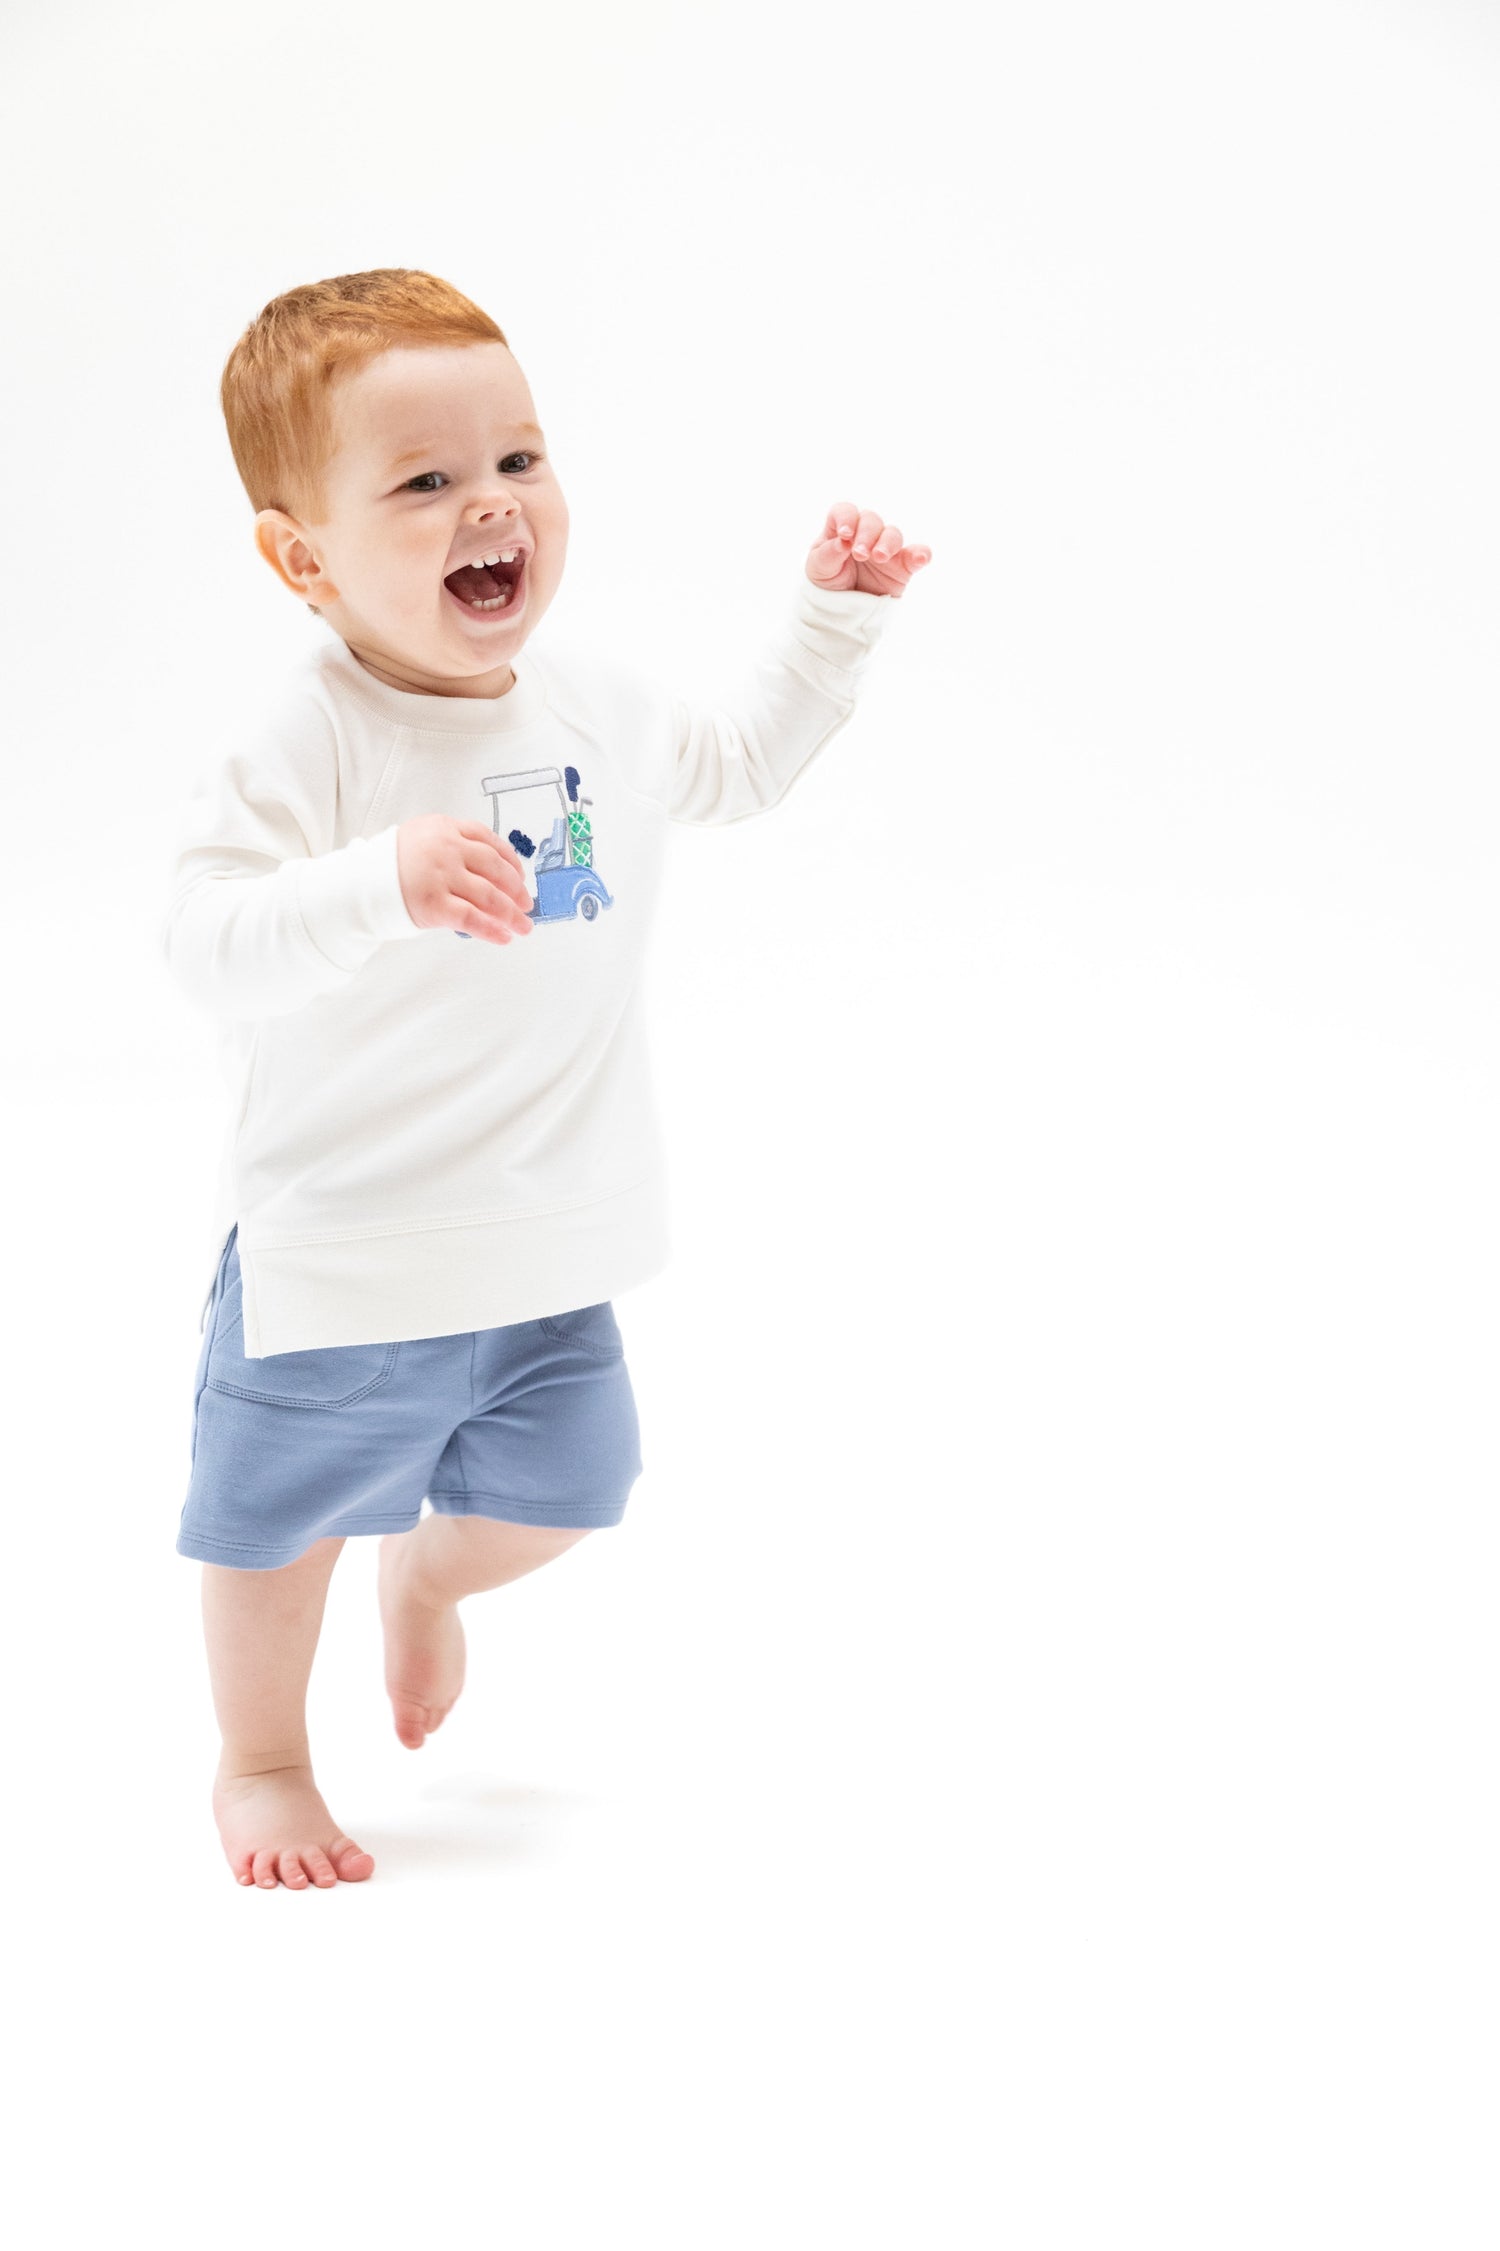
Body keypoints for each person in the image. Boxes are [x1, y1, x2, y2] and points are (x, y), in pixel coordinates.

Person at [163, 267, 933, 1891]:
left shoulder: (595, 705)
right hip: (346, 1254)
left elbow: (736, 767)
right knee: (269, 1529)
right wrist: (377, 881)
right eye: (425, 481)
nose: (490, 506)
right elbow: (206, 942)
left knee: (581, 1488)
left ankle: (428, 1581)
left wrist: (832, 621)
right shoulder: (309, 741)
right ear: (303, 557)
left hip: (544, 1249)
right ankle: (264, 1759)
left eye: (517, 459)